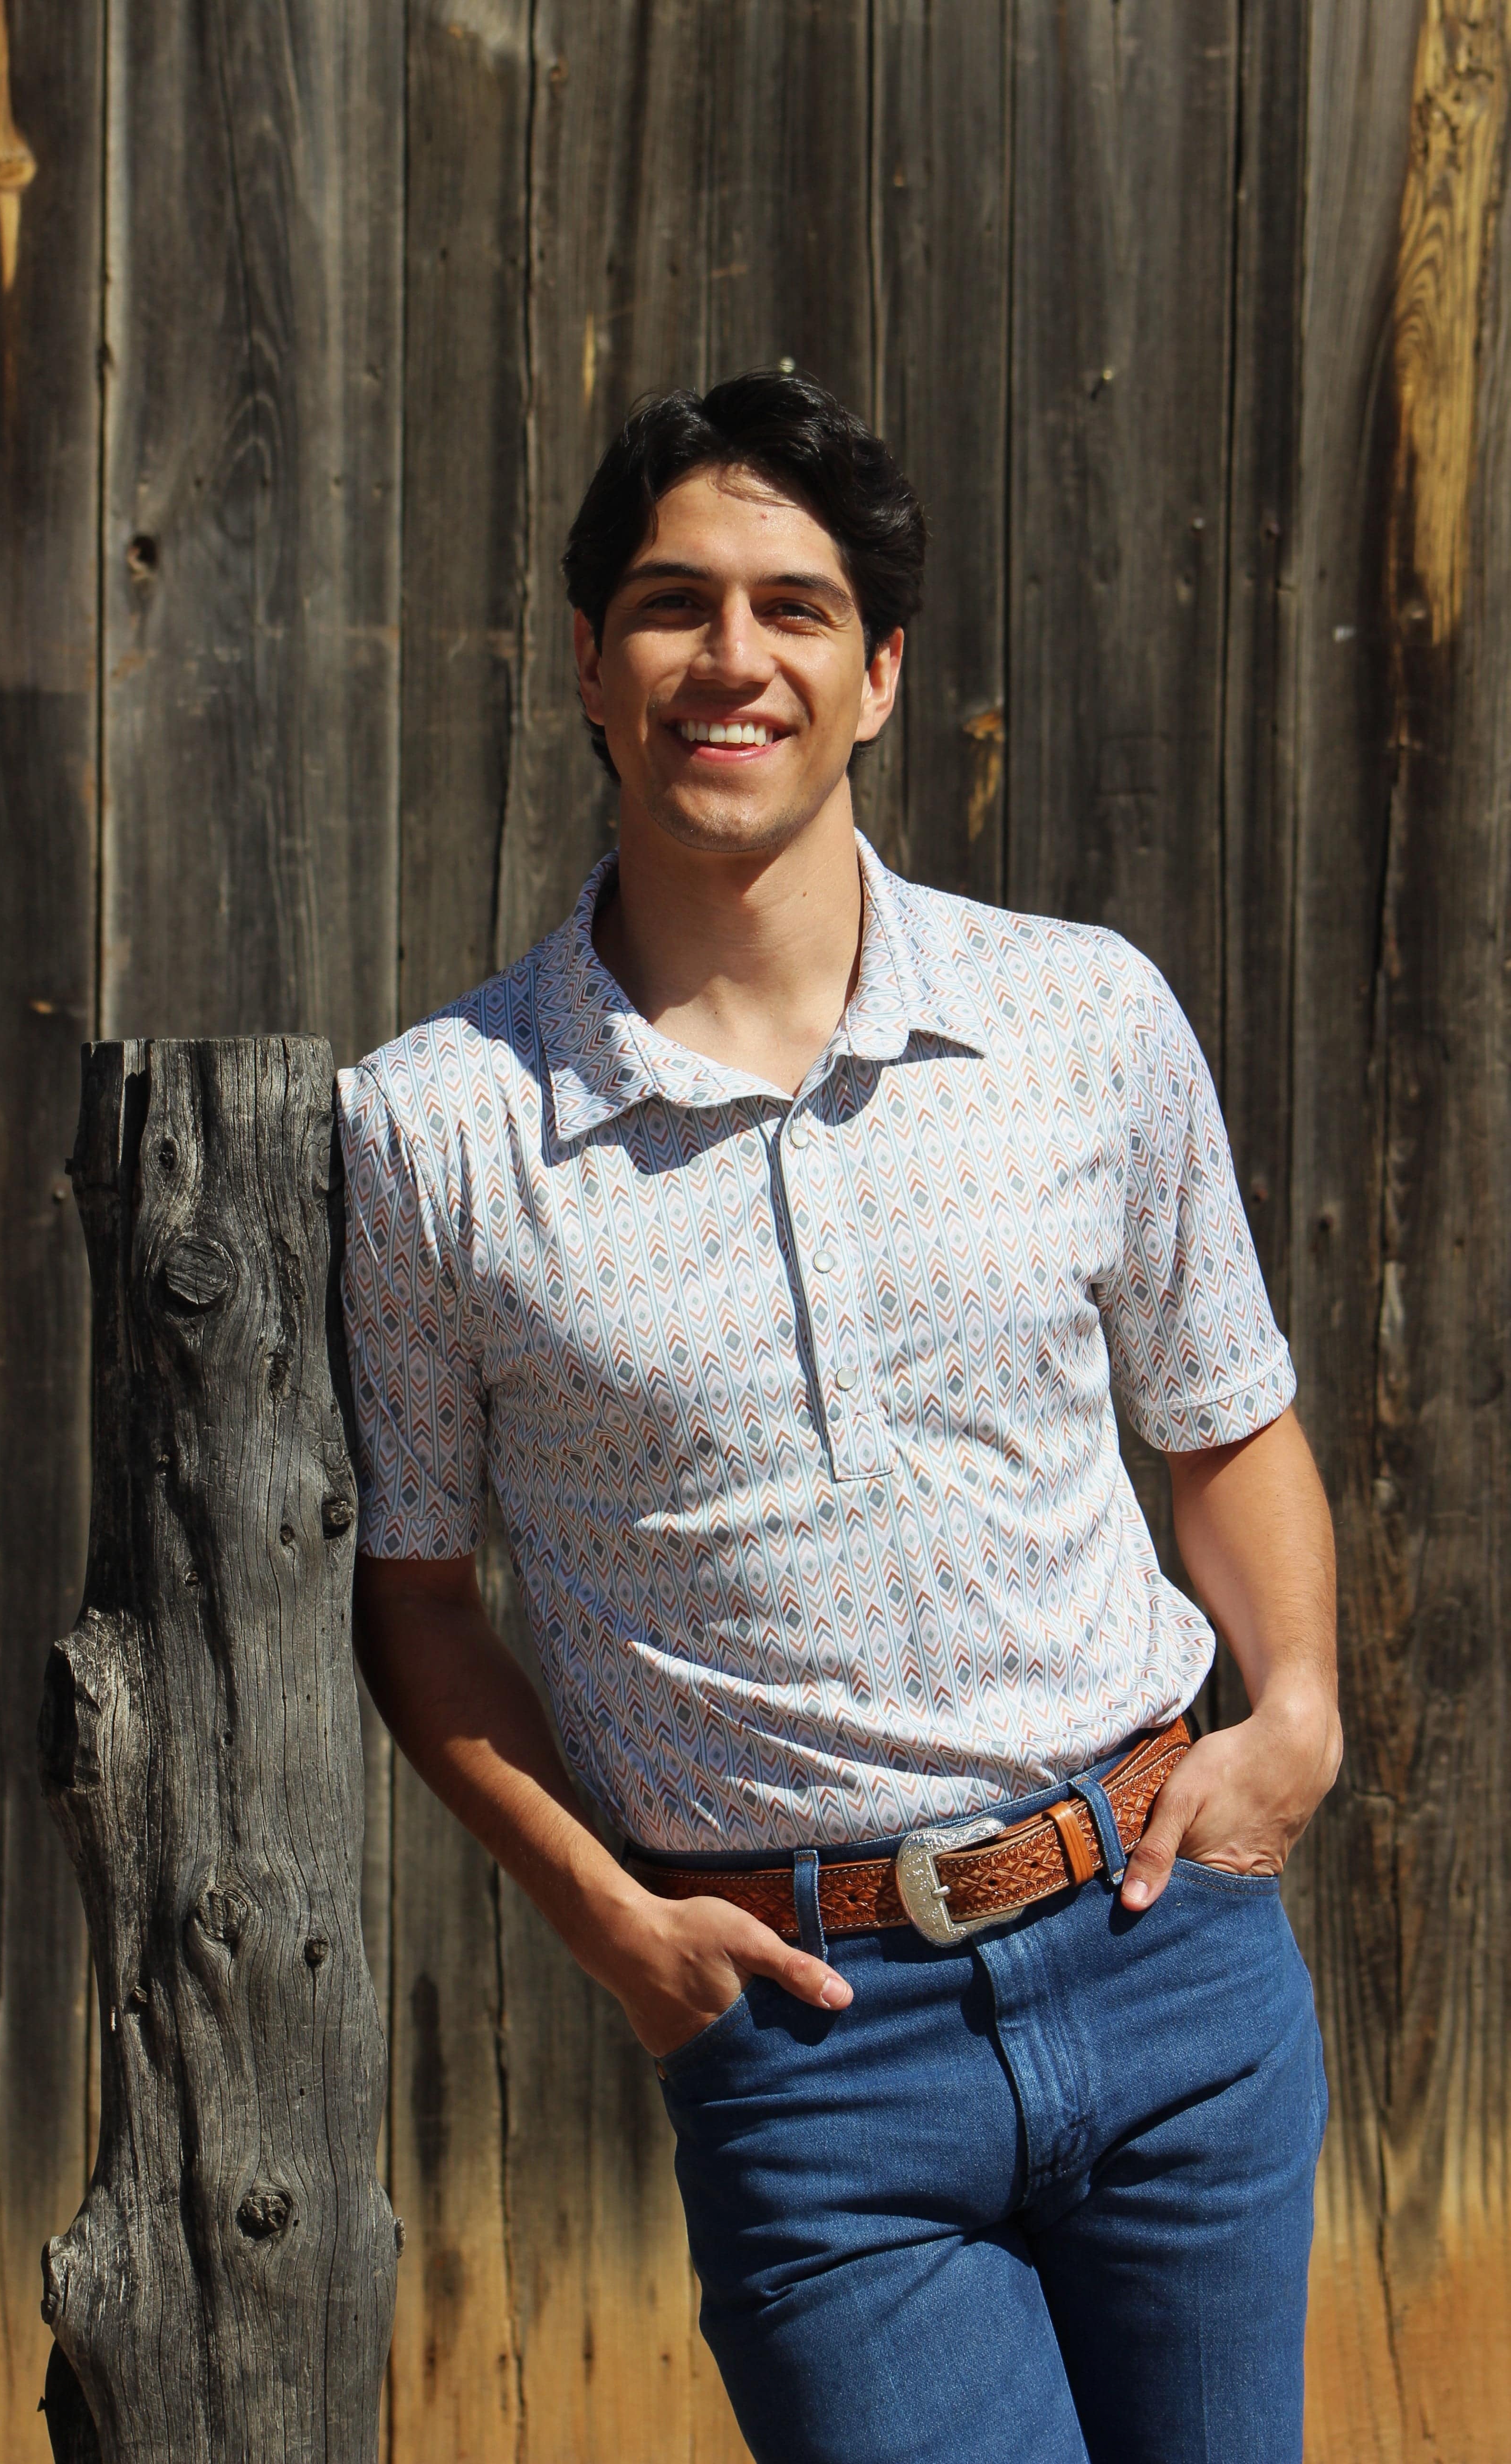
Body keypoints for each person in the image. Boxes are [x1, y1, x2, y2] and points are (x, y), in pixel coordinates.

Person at [341, 372, 1340, 2464]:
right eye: (672, 606)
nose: (734, 658)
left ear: (878, 677)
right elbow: (419, 1597)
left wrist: (1304, 1709)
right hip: (813, 2049)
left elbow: (1225, 1420)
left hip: (1174, 1974)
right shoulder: (437, 1131)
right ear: (592, 673)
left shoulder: (1082, 1015)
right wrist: (604, 1922)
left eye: (796, 610)